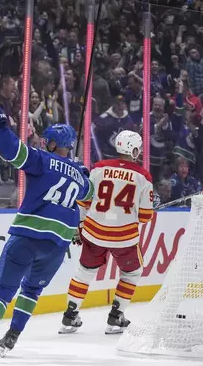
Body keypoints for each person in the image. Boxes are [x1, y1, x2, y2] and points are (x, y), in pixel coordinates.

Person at [0, 100, 93, 362]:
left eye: (48, 142)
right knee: (31, 291)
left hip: (28, 237)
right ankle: (12, 336)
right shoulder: (79, 176)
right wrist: (81, 172)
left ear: (54, 144)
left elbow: (14, 151)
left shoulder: (43, 159)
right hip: (56, 247)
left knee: (2, 291)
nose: (44, 144)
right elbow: (89, 192)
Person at [60, 130, 154, 334]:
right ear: (134, 149)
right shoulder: (143, 177)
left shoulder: (99, 168)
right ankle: (115, 317)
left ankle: (69, 316)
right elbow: (145, 217)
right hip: (124, 238)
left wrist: (80, 226)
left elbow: (83, 201)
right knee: (132, 273)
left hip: (94, 232)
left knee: (84, 272)